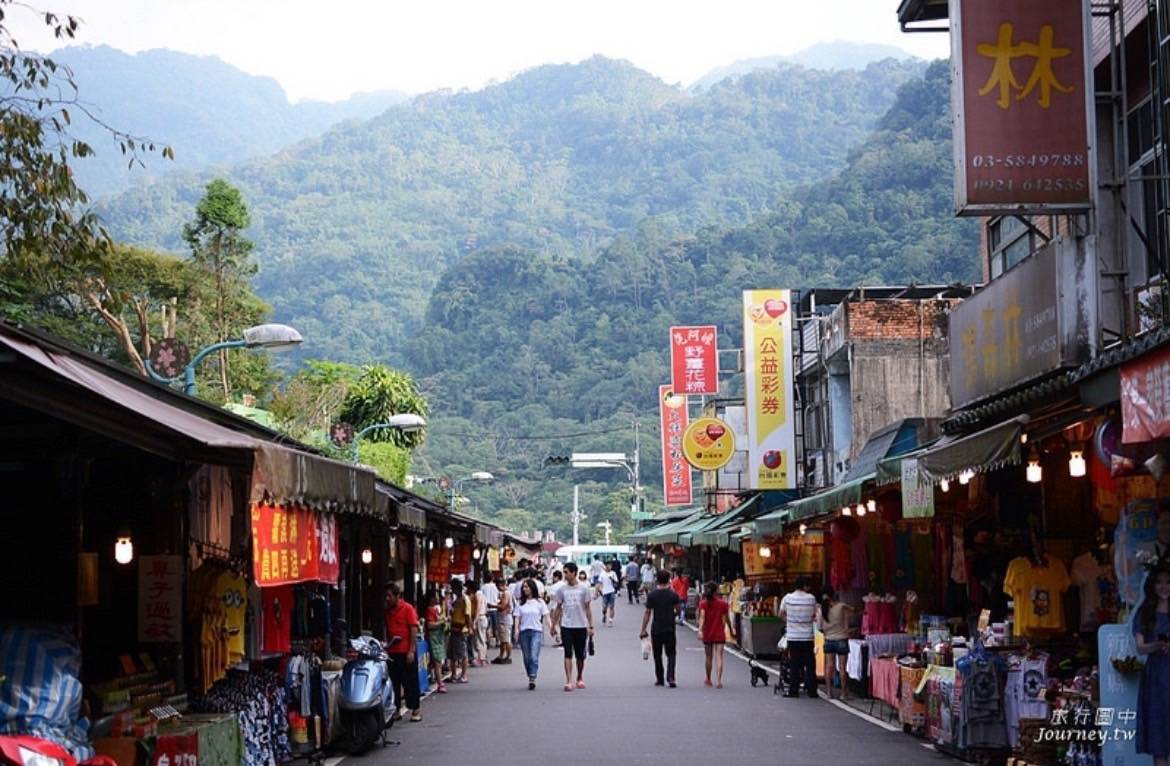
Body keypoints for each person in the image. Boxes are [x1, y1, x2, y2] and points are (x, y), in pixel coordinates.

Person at [1134, 564, 1170, 766]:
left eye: (1168, 582)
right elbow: (1140, 647)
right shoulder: (1145, 612)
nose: (1164, 587)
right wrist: (1156, 645)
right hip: (1156, 678)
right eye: (1159, 582)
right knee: (1159, 740)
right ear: (1152, 585)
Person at [551, 562, 595, 691]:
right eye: (564, 572)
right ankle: (569, 680)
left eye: (567, 572)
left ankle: (579, 677)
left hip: (581, 625)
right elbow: (558, 608)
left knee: (580, 655)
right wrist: (553, 625)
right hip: (566, 625)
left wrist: (591, 626)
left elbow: (587, 608)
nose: (565, 575)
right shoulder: (562, 590)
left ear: (574, 572)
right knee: (567, 653)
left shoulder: (584, 588)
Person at [383, 583, 422, 721]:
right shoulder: (388, 611)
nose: (387, 598)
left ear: (397, 596)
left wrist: (411, 650)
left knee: (410, 681)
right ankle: (397, 709)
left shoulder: (408, 609)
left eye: (390, 596)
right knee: (394, 682)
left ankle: (416, 709)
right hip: (393, 651)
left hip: (406, 651)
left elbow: (413, 629)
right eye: (386, 596)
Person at [779, 576, 821, 698]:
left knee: (794, 663)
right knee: (810, 663)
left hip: (793, 636)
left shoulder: (787, 598)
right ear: (805, 586)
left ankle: (794, 690)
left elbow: (780, 614)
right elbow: (814, 614)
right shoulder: (811, 598)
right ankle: (812, 690)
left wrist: (790, 622)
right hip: (807, 636)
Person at [640, 570, 681, 688]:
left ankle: (660, 678)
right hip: (669, 627)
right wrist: (673, 615)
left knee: (657, 654)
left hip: (656, 628)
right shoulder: (673, 595)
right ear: (669, 580)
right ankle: (671, 677)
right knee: (671, 653)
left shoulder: (652, 595)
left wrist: (643, 628)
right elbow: (678, 609)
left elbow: (647, 612)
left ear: (657, 580)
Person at [513, 578, 550, 690]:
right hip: (524, 631)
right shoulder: (520, 603)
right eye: (524, 587)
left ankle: (532, 677)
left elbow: (546, 616)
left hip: (536, 631)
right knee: (527, 657)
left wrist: (552, 628)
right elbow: (517, 618)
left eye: (527, 587)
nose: (525, 589)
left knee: (534, 656)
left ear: (532, 588)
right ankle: (530, 673)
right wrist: (516, 630)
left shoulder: (540, 602)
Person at [820, 587, 857, 700]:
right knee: (842, 667)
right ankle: (843, 693)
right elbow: (854, 610)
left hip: (828, 640)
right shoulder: (841, 606)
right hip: (841, 639)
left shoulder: (822, 609)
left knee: (829, 666)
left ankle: (829, 693)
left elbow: (820, 627)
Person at [697, 581, 735, 688]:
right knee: (719, 657)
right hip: (719, 633)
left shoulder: (703, 603)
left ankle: (708, 679)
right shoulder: (723, 604)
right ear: (716, 591)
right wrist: (731, 630)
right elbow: (726, 619)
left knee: (708, 657)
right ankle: (719, 681)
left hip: (708, 632)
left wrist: (700, 630)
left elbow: (702, 617)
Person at [423, 588, 449, 694]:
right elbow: (430, 624)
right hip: (434, 638)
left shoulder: (434, 609)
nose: (437, 599)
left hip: (437, 638)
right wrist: (441, 622)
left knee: (434, 662)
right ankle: (440, 684)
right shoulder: (430, 610)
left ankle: (428, 680)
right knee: (437, 662)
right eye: (435, 597)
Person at [448, 579, 472, 683]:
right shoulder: (456, 600)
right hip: (453, 628)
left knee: (462, 653)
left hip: (461, 629)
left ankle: (464, 675)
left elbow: (467, 615)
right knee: (452, 654)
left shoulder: (464, 599)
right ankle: (454, 674)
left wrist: (469, 628)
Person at [493, 574, 514, 664]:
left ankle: (508, 656)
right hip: (503, 618)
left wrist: (492, 605)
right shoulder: (506, 593)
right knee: (503, 640)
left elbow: (503, 606)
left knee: (506, 639)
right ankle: (502, 655)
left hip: (505, 619)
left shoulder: (506, 593)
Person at [595, 561, 619, 626]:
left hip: (612, 592)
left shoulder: (613, 573)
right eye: (608, 565)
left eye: (610, 566)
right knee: (604, 607)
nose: (609, 567)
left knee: (612, 606)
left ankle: (610, 620)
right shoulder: (602, 574)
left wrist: (612, 579)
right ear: (605, 566)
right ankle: (604, 615)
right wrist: (596, 593)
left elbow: (616, 583)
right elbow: (599, 583)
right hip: (604, 592)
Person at [481, 574, 500, 649]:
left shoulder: (483, 587)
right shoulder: (495, 587)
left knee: (488, 627)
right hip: (495, 609)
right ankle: (498, 641)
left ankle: (488, 642)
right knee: (496, 626)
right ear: (492, 578)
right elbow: (498, 596)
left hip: (486, 609)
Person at [547, 570, 566, 645]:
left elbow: (551, 597)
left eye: (553, 577)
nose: (552, 579)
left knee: (555, 622)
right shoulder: (565, 585)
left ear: (556, 577)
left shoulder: (554, 586)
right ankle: (563, 638)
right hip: (565, 607)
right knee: (563, 623)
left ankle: (559, 636)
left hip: (555, 606)